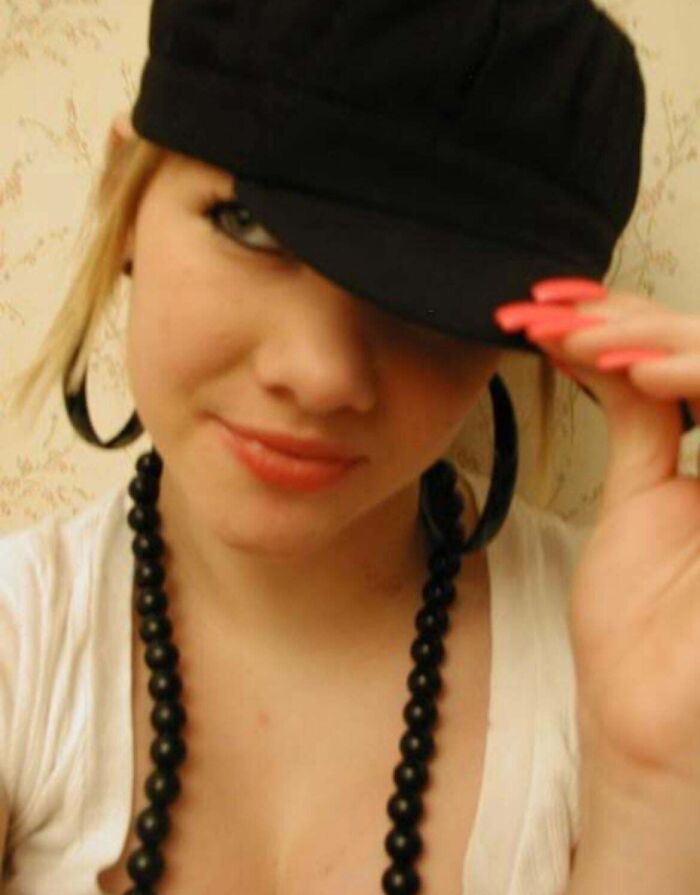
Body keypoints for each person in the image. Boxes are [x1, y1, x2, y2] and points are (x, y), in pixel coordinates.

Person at [1, 1, 700, 894]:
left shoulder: (623, 664)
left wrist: (657, 791)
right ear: (122, 196)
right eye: (248, 226)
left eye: (426, 292)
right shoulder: (22, 646)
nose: (322, 373)